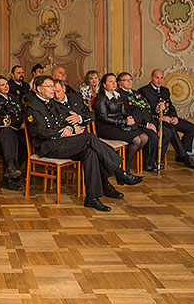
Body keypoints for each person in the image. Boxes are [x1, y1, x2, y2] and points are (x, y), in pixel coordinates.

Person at [25, 75, 144, 212]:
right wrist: (63, 132)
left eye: (53, 86)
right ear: (39, 89)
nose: (53, 89)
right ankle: (119, 172)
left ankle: (92, 198)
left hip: (63, 142)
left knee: (90, 153)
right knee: (89, 138)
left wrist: (70, 127)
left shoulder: (52, 103)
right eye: (49, 86)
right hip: (48, 146)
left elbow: (66, 119)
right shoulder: (33, 107)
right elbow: (40, 132)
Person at [118, 71, 187, 169]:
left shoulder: (134, 92)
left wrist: (152, 120)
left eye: (130, 80)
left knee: (167, 132)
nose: (129, 82)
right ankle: (148, 164)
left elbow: (146, 107)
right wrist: (146, 124)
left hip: (148, 120)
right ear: (119, 83)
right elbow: (130, 113)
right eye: (126, 80)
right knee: (153, 135)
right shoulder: (120, 95)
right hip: (136, 124)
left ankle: (156, 160)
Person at [93, 73, 151, 172]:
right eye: (110, 82)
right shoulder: (101, 98)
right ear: (104, 85)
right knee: (137, 140)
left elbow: (123, 110)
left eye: (115, 81)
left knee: (144, 138)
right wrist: (124, 121)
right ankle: (125, 167)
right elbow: (104, 118)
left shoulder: (117, 95)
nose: (114, 84)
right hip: (106, 128)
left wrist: (128, 117)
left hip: (118, 125)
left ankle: (122, 160)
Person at [139, 68, 194, 166]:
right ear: (151, 77)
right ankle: (185, 157)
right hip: (157, 120)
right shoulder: (144, 91)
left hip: (169, 119)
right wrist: (159, 116)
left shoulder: (165, 91)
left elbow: (171, 107)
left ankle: (182, 154)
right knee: (171, 130)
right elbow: (145, 112)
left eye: (161, 78)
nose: (159, 80)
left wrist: (173, 117)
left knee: (190, 128)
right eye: (157, 78)